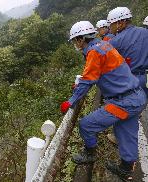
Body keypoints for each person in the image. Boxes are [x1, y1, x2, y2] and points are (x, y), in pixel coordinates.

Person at [61, 21, 147, 182]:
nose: (75, 44)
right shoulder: (104, 44)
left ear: (81, 39)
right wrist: (83, 82)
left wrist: (71, 101)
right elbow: (98, 73)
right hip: (137, 97)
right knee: (125, 132)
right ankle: (126, 169)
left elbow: (88, 80)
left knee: (86, 125)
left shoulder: (93, 51)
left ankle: (89, 154)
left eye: (75, 41)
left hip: (123, 102)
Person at [107, 7, 148, 98]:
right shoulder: (145, 32)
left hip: (131, 81)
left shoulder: (114, 42)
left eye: (111, 24)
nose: (109, 28)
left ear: (120, 23)